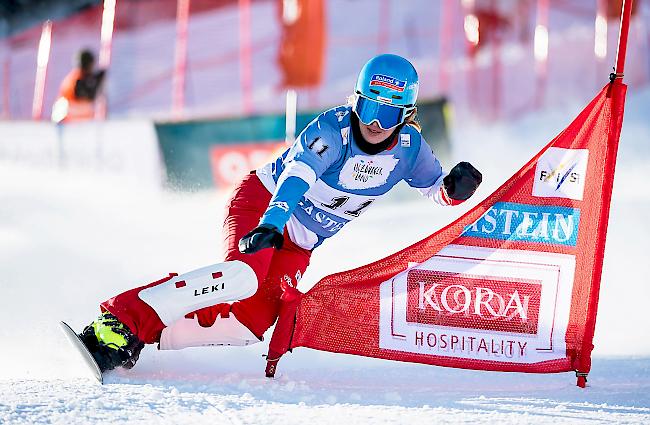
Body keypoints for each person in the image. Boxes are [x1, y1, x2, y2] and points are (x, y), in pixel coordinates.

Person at [73, 54, 482, 374]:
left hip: (301, 242)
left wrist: (455, 189)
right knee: (241, 277)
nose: (375, 123)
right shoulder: (331, 131)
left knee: (249, 324)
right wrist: (271, 221)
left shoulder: (410, 148)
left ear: (406, 114)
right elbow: (297, 177)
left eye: (389, 114)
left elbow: (436, 191)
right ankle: (118, 324)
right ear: (355, 102)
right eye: (368, 107)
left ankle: (144, 339)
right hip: (264, 204)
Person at [51, 49, 106, 123]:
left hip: (75, 121)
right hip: (68, 120)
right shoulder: (76, 79)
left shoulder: (76, 77)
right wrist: (98, 81)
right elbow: (87, 97)